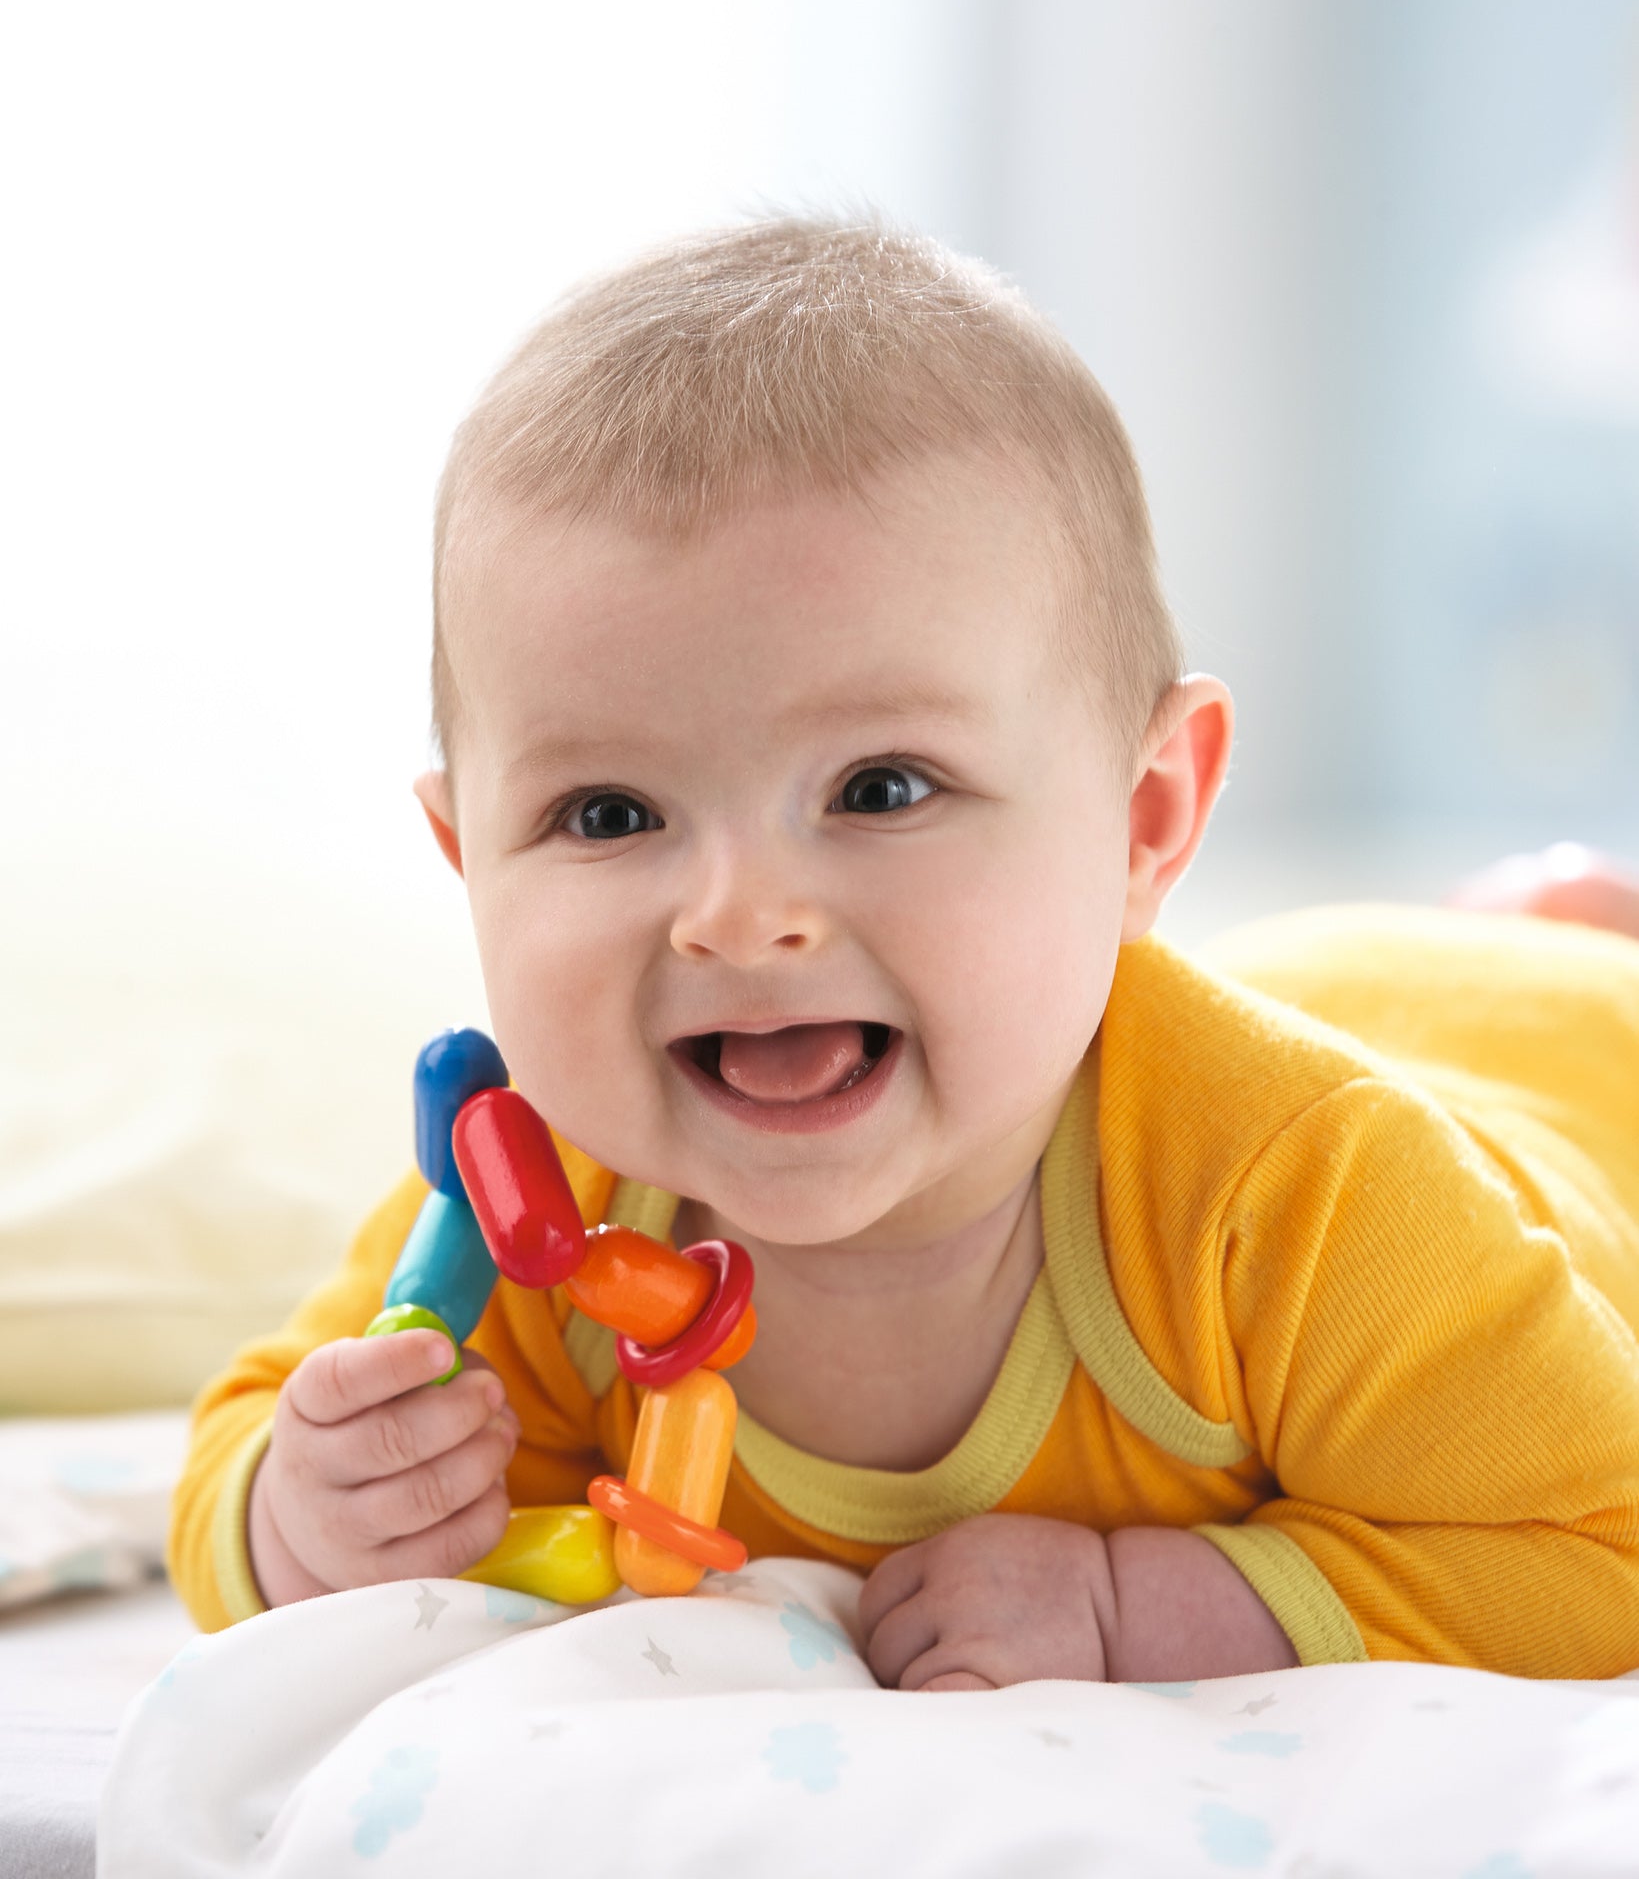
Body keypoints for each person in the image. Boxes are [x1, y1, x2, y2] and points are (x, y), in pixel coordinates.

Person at [168, 220, 1639, 1686]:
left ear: (1145, 816)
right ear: (469, 860)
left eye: (880, 788)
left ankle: (1554, 923)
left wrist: (1150, 1607)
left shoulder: (1304, 1203)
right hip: (1277, 992)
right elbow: (243, 1439)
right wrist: (311, 1518)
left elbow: (1598, 1545)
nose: (740, 918)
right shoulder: (537, 1210)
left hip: (1558, 1061)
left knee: (1563, 959)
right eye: (608, 814)